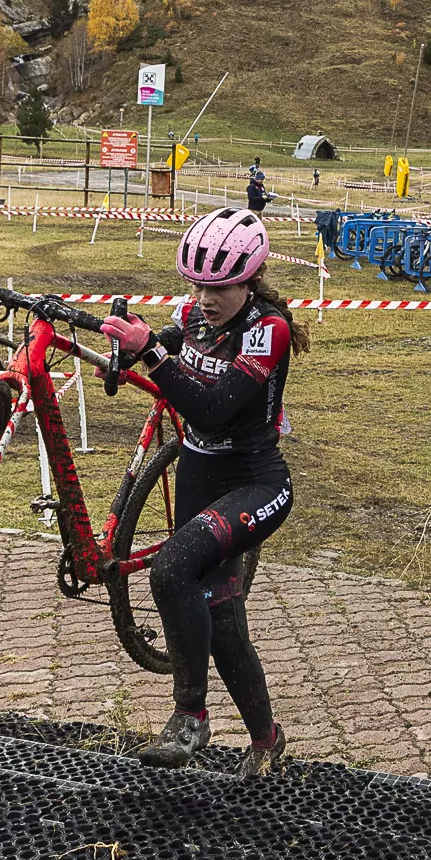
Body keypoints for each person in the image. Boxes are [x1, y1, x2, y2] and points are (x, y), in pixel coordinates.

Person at [97, 207, 311, 778]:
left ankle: (189, 717)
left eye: (220, 286)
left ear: (250, 279)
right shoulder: (193, 315)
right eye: (197, 283)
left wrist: (155, 355)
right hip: (197, 473)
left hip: (253, 481)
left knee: (169, 571)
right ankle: (267, 738)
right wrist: (129, 348)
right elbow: (167, 349)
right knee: (222, 624)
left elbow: (213, 410)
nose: (205, 296)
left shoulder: (270, 330)